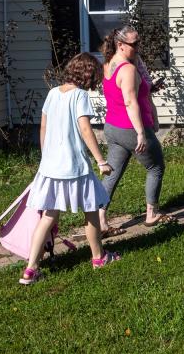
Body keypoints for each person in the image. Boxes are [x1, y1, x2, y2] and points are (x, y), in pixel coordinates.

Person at [19, 53, 121, 285]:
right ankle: (99, 257)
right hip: (75, 167)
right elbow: (85, 129)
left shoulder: (52, 93)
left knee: (48, 217)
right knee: (91, 211)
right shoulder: (80, 96)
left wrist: (46, 157)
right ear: (88, 75)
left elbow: (43, 126)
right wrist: (101, 161)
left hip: (51, 168)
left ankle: (31, 269)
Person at [98, 26, 175, 237]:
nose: (138, 48)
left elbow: (125, 91)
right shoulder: (128, 69)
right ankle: (151, 214)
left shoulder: (108, 64)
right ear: (120, 44)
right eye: (134, 44)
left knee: (112, 173)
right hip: (130, 127)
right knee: (156, 166)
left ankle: (100, 221)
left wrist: (149, 88)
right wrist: (141, 132)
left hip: (112, 127)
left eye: (139, 42)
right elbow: (130, 101)